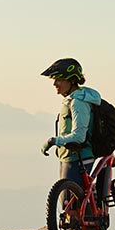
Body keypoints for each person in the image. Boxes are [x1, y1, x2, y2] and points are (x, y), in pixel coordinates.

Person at [39, 58, 103, 190]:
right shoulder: (71, 100)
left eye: (59, 79)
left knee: (73, 207)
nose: (55, 84)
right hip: (69, 158)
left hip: (79, 158)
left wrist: (53, 141)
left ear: (72, 80)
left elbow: (79, 136)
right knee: (71, 204)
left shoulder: (78, 102)